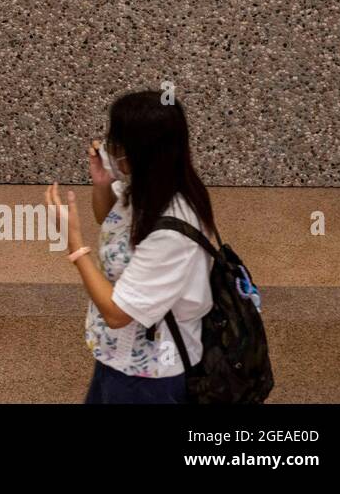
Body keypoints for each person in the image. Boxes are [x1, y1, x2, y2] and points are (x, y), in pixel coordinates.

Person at [45, 90, 216, 403]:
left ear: (141, 152)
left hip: (150, 377)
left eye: (117, 142)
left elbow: (117, 313)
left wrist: (75, 247)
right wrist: (101, 183)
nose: (109, 146)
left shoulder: (172, 231)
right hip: (118, 356)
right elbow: (107, 218)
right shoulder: (148, 185)